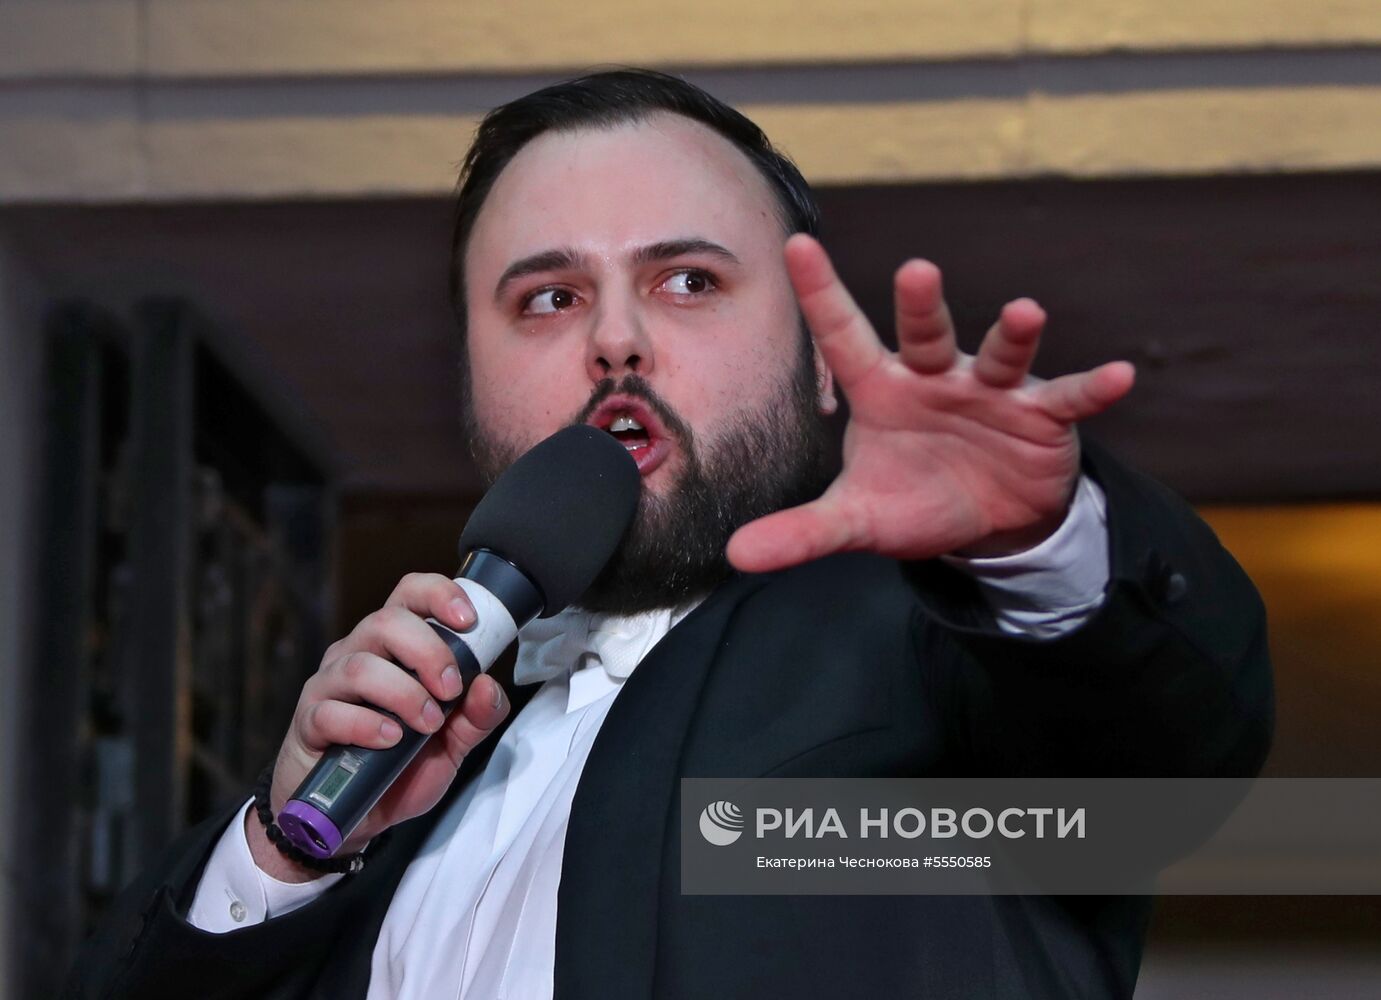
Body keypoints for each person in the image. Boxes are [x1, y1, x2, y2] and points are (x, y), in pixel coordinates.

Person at [65, 69, 1271, 999]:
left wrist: (1037, 546)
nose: (615, 340)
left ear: (818, 366)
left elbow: (1157, 748)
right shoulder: (406, 758)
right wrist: (286, 854)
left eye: (688, 280)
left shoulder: (933, 647)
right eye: (549, 297)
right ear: (471, 382)